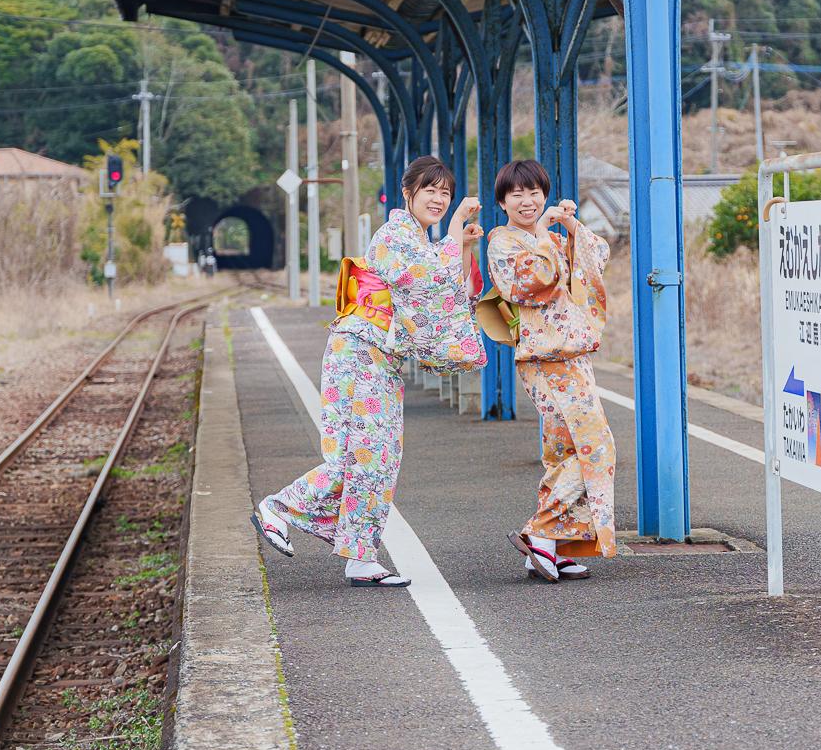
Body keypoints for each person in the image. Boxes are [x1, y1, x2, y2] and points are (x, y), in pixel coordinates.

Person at [251, 156, 485, 587]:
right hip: (360, 352)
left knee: (377, 459)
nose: (439, 198)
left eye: (445, 193)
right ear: (407, 192)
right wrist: (454, 233)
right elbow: (430, 281)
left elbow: (451, 286)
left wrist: (463, 246)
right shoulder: (396, 235)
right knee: (360, 457)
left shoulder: (415, 238)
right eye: (430, 190)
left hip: (378, 357)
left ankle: (360, 556)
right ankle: (280, 508)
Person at [486, 158, 615, 582]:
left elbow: (598, 257)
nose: (528, 201)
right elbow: (533, 284)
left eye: (534, 192)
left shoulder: (553, 239)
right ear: (502, 201)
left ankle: (550, 547)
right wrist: (544, 233)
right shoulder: (502, 243)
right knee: (596, 447)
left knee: (562, 453)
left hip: (573, 358)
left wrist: (572, 227)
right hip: (546, 360)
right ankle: (540, 533)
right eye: (517, 194)